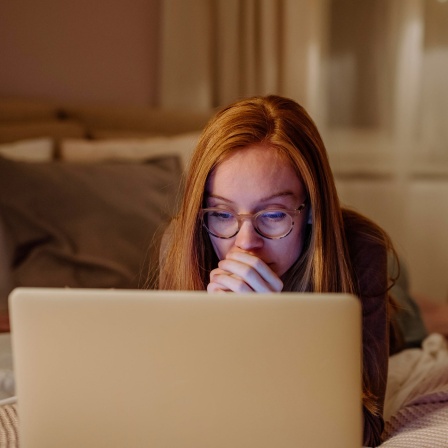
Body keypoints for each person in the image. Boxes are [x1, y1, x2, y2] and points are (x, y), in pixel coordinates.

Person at [157, 95, 401, 447]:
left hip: (349, 271)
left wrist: (275, 332)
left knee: (410, 325)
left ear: (312, 209)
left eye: (273, 215)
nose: (245, 245)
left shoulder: (360, 250)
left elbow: (361, 432)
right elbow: (177, 409)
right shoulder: (182, 243)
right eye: (222, 214)